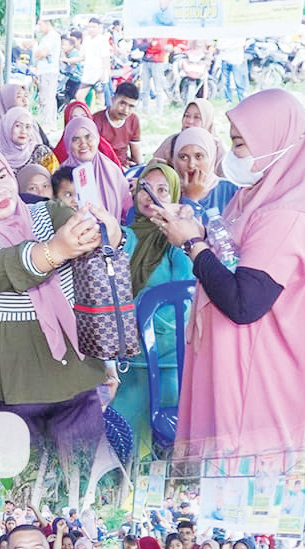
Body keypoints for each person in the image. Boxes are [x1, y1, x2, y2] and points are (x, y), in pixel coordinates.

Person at [154, 89, 305, 462]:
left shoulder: (286, 217)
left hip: (252, 378)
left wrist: (193, 244)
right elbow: (233, 256)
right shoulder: (254, 196)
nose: (233, 155)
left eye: (241, 145)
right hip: (227, 362)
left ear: (276, 143)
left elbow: (244, 303)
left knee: (237, 490)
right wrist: (196, 232)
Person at [0, 143, 114, 459]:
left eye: (2, 176)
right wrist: (55, 251)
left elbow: (97, 259)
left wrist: (103, 231)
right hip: (5, 393)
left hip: (75, 378)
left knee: (85, 488)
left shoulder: (48, 212)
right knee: (13, 495)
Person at [116, 163, 193, 457]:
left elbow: (182, 301)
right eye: (144, 188)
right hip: (126, 359)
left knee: (161, 445)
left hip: (166, 361)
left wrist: (139, 313)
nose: (151, 196)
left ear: (174, 196)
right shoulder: (125, 235)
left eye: (162, 190)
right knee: (122, 439)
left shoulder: (177, 241)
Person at [61, 117, 132, 220]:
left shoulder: (112, 171)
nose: (83, 143)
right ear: (68, 144)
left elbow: (127, 209)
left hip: (112, 233)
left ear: (97, 138)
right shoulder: (61, 176)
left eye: (88, 137)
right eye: (75, 139)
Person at [172, 126, 238, 222]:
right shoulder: (168, 192)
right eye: (183, 157)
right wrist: (190, 199)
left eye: (199, 156)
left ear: (211, 157)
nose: (191, 165)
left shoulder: (231, 190)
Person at [152, 99, 224, 172]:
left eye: (196, 117)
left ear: (207, 120)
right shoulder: (172, 142)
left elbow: (223, 175)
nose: (189, 121)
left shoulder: (216, 146)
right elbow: (152, 168)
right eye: (187, 116)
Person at [53, 101, 121, 168]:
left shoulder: (103, 146)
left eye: (84, 117)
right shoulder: (60, 151)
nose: (80, 121)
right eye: (74, 118)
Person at [92, 82, 141, 167]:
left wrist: (142, 169)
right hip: (101, 166)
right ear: (113, 99)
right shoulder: (95, 121)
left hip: (125, 167)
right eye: (122, 103)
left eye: (131, 106)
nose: (126, 110)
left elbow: (136, 153)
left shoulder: (133, 120)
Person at [0, 108, 57, 174]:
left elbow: (56, 180)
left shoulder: (42, 153)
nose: (23, 131)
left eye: (28, 127)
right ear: (7, 127)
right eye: (18, 126)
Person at [35, 19, 62, 131]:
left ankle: (48, 123)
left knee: (47, 97)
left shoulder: (52, 36)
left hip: (48, 71)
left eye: (40, 25)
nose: (39, 28)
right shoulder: (45, 38)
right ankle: (50, 123)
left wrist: (37, 52)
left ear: (47, 24)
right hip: (44, 71)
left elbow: (42, 53)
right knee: (47, 97)